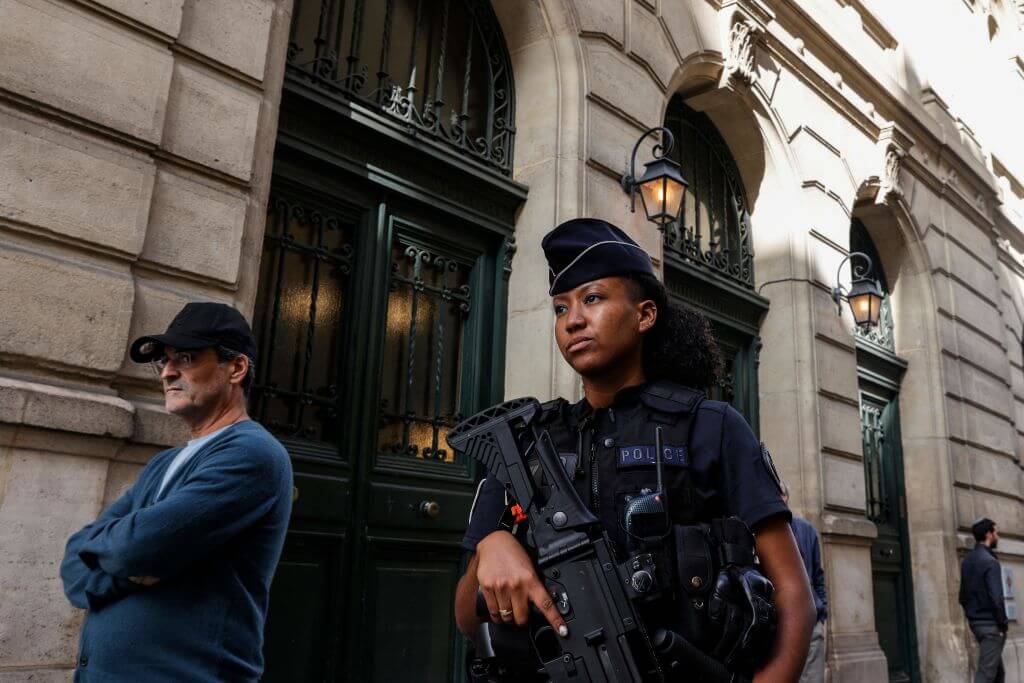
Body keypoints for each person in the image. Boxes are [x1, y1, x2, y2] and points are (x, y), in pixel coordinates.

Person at [453, 218, 815, 681]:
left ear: (644, 315)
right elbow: (467, 618)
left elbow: (794, 595)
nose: (573, 320)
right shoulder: (525, 443)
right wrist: (490, 548)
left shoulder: (711, 426)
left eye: (593, 298)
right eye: (560, 309)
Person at [60, 302, 293, 682]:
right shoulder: (162, 464)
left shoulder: (252, 454)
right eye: (165, 361)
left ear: (236, 368)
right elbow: (74, 561)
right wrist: (124, 568)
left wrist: (119, 555)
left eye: (186, 358)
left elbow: (137, 546)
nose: (168, 372)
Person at [781, 482, 828, 683]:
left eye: (781, 493)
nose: (778, 497)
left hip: (812, 625)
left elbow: (818, 575)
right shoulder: (759, 532)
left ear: (787, 497)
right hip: (780, 628)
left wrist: (821, 610)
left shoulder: (806, 530)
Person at [960, 517, 1009, 683]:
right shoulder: (990, 562)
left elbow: (962, 596)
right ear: (989, 534)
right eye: (996, 532)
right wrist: (1002, 624)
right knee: (986, 675)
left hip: (976, 624)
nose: (998, 536)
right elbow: (996, 597)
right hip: (991, 626)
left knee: (998, 674)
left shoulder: (967, 561)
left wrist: (972, 617)